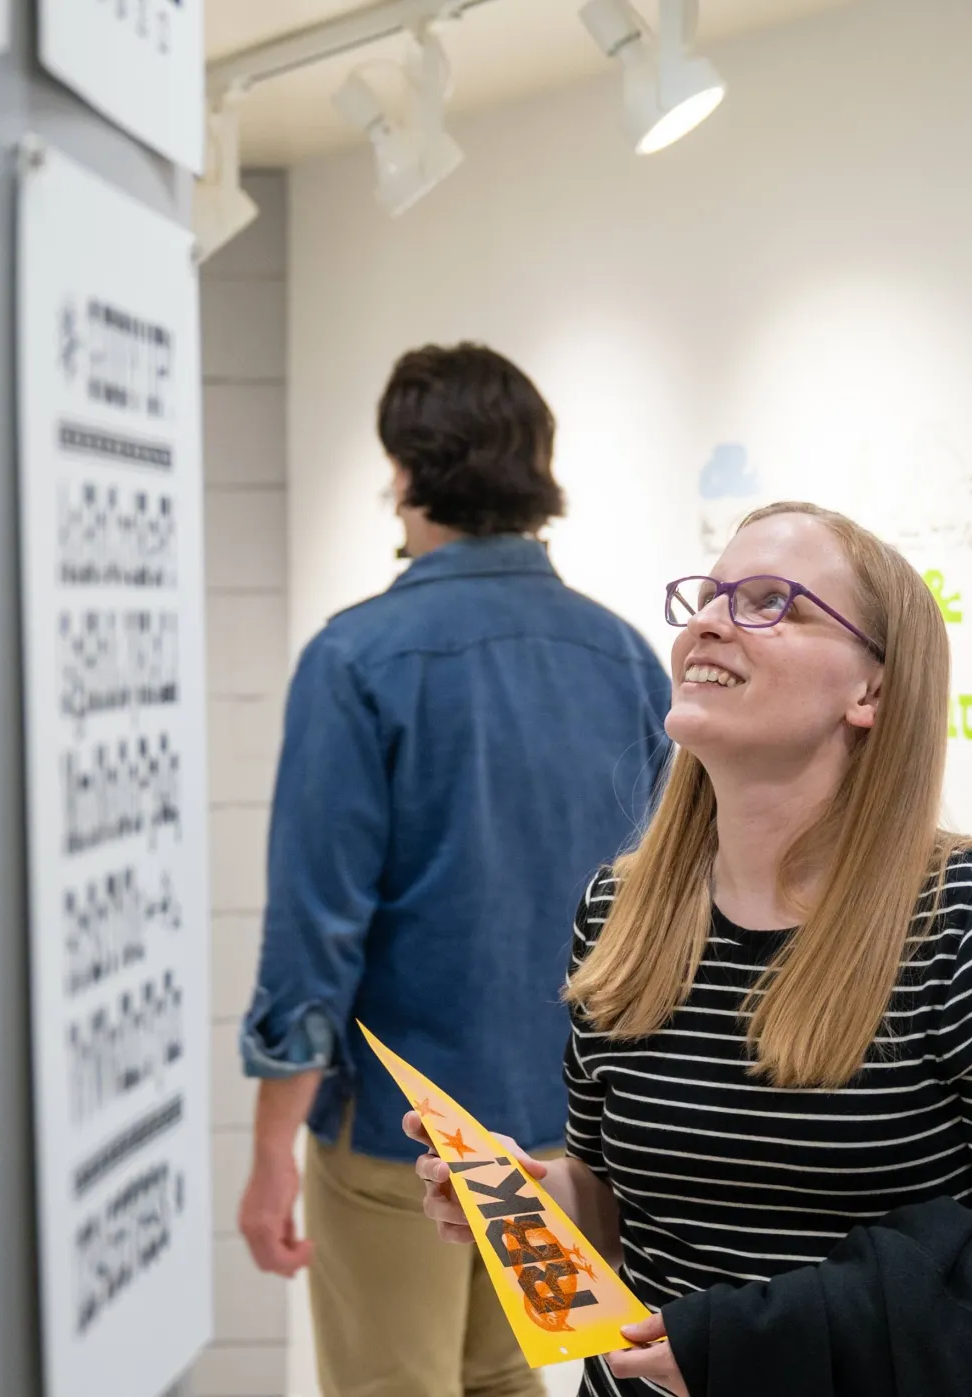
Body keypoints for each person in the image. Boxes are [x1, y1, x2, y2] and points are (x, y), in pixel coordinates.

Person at [410, 502, 972, 1395]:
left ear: (870, 691)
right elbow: (615, 1206)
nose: (709, 622)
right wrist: (526, 1200)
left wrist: (756, 1342)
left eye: (772, 602)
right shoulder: (620, 911)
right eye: (709, 596)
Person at [238, 344, 672, 1397]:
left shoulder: (356, 659)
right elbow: (662, 912)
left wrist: (266, 1157)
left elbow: (314, 940)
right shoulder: (623, 657)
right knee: (506, 1382)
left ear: (402, 468)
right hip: (562, 1138)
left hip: (402, 1136)